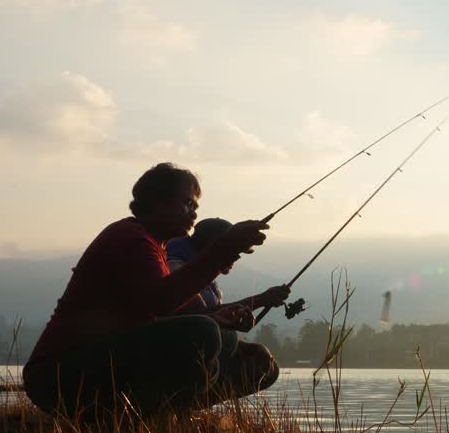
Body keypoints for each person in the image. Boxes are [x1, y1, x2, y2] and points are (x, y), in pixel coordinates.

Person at [22, 163, 280, 419]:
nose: (193, 214)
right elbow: (162, 301)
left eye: (195, 208)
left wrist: (221, 317)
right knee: (204, 333)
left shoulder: (157, 249)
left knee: (251, 356)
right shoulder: (130, 237)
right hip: (57, 375)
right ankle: (159, 418)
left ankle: (156, 416)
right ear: (158, 203)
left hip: (99, 363)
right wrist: (223, 249)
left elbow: (159, 313)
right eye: (187, 204)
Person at [165, 218, 291, 312]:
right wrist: (260, 300)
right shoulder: (174, 267)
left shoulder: (199, 270)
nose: (235, 259)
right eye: (234, 250)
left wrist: (262, 299)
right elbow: (200, 315)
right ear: (213, 246)